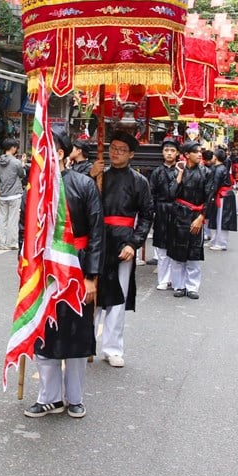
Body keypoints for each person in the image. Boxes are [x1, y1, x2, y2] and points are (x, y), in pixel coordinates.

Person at [21, 127, 103, 419]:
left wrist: (91, 276)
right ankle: (49, 397)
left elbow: (96, 234)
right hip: (43, 271)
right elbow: (25, 230)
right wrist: (25, 270)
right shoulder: (34, 189)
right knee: (44, 334)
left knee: (76, 336)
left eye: (48, 148)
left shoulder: (84, 185)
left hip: (76, 268)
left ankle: (75, 397)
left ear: (60, 153)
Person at [89, 132, 153, 368]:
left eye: (121, 149)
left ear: (131, 154)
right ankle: (86, 343)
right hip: (98, 240)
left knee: (117, 296)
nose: (115, 152)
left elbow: (147, 215)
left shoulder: (139, 182)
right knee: (92, 292)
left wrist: (133, 243)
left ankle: (113, 348)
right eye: (113, 148)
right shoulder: (99, 176)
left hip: (123, 242)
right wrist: (90, 176)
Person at [166, 141, 215, 300]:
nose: (200, 154)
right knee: (177, 252)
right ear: (187, 154)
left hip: (196, 214)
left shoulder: (207, 172)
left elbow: (209, 197)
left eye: (200, 152)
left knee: (194, 252)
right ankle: (178, 285)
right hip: (179, 214)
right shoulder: (177, 171)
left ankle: (192, 286)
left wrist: (202, 217)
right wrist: (179, 175)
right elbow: (171, 194)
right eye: (196, 152)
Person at [150, 138, 180, 289]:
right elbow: (151, 194)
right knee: (161, 247)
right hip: (161, 210)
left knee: (174, 245)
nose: (169, 153)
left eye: (172, 151)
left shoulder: (181, 171)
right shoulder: (157, 172)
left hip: (177, 210)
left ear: (177, 153)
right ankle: (163, 279)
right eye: (166, 150)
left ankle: (175, 279)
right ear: (162, 153)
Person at [0, 138, 25, 249]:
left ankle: (2, 242)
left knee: (2, 218)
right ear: (13, 148)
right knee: (13, 219)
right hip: (14, 194)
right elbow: (22, 174)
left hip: (3, 193)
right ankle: (11, 242)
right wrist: (22, 163)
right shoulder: (16, 162)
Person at [206, 149, 237, 250]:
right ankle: (214, 240)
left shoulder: (219, 169)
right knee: (215, 218)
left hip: (224, 196)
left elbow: (215, 185)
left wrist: (208, 196)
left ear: (216, 157)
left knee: (222, 220)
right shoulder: (217, 167)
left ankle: (221, 243)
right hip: (220, 195)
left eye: (213, 155)